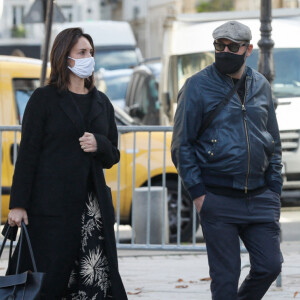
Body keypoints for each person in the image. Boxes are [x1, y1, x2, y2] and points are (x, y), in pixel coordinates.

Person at [7, 27, 128, 300]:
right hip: (50, 209)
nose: (89, 58)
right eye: (82, 52)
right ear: (65, 57)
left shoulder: (102, 101)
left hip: (92, 211)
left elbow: (113, 155)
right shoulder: (44, 99)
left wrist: (100, 144)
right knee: (49, 281)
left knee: (94, 282)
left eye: (91, 53)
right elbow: (28, 155)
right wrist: (18, 203)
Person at [171, 21, 283, 300]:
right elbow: (181, 145)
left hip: (260, 197)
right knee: (225, 279)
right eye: (219, 45)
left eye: (232, 47)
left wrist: (274, 189)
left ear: (248, 50)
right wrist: (198, 194)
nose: (224, 51)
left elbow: (274, 141)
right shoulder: (196, 86)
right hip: (217, 197)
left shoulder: (262, 86)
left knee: (270, 265)